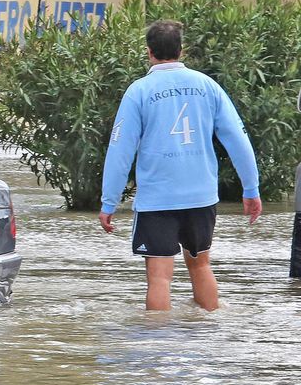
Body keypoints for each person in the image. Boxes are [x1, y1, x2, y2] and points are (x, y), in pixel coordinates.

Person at [99, 20, 262, 311]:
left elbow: (120, 149)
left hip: (157, 200)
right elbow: (237, 138)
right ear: (181, 50)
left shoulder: (138, 91)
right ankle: (209, 335)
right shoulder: (207, 86)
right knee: (201, 266)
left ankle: (157, 345)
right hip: (201, 196)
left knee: (160, 279)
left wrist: (108, 202)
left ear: (149, 52)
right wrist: (251, 188)